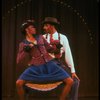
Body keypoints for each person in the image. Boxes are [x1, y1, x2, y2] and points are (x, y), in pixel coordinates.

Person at [16, 19, 74, 100]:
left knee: (70, 81)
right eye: (32, 27)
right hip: (36, 67)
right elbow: (19, 60)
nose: (35, 28)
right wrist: (27, 49)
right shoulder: (23, 44)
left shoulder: (40, 37)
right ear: (26, 29)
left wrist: (57, 46)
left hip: (50, 64)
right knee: (18, 83)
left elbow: (50, 49)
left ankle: (61, 98)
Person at [42, 17, 80, 100]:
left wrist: (72, 71)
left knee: (75, 81)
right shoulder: (43, 37)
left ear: (52, 26)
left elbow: (68, 54)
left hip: (57, 63)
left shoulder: (63, 37)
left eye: (46, 25)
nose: (44, 28)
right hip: (46, 64)